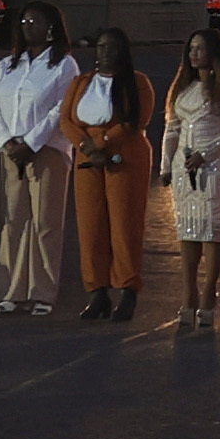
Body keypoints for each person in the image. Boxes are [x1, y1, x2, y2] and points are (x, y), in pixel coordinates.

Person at [0, 9, 74, 315]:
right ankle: (11, 291)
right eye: (23, 21)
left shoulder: (63, 65)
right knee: (14, 221)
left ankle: (43, 294)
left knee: (46, 223)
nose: (26, 25)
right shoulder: (7, 65)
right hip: (11, 153)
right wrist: (7, 142)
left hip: (46, 150)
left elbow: (61, 109)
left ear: (51, 27)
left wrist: (31, 142)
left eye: (34, 21)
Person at [65, 25, 152, 322]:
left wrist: (101, 143)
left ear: (123, 52)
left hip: (124, 158)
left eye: (112, 47)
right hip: (88, 160)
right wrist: (87, 147)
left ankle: (127, 290)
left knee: (124, 225)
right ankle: (97, 292)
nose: (105, 52)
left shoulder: (137, 82)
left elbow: (135, 120)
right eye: (101, 46)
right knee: (90, 227)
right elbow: (66, 119)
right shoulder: (82, 83)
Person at [160, 37, 220, 329]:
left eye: (200, 48)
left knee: (212, 231)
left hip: (213, 166)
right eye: (191, 48)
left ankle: (208, 296)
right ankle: (188, 294)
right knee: (187, 229)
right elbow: (171, 128)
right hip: (183, 167)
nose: (194, 53)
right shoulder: (183, 89)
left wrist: (207, 153)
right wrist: (166, 165)